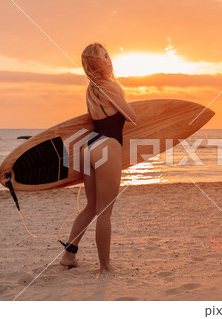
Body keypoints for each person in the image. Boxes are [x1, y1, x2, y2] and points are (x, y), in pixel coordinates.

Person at [59, 43, 137, 273]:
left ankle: (68, 256)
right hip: (108, 146)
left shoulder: (91, 90)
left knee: (92, 207)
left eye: (109, 55)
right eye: (105, 57)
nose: (109, 60)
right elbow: (132, 117)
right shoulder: (110, 87)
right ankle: (105, 266)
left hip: (88, 146)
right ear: (97, 63)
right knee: (105, 211)